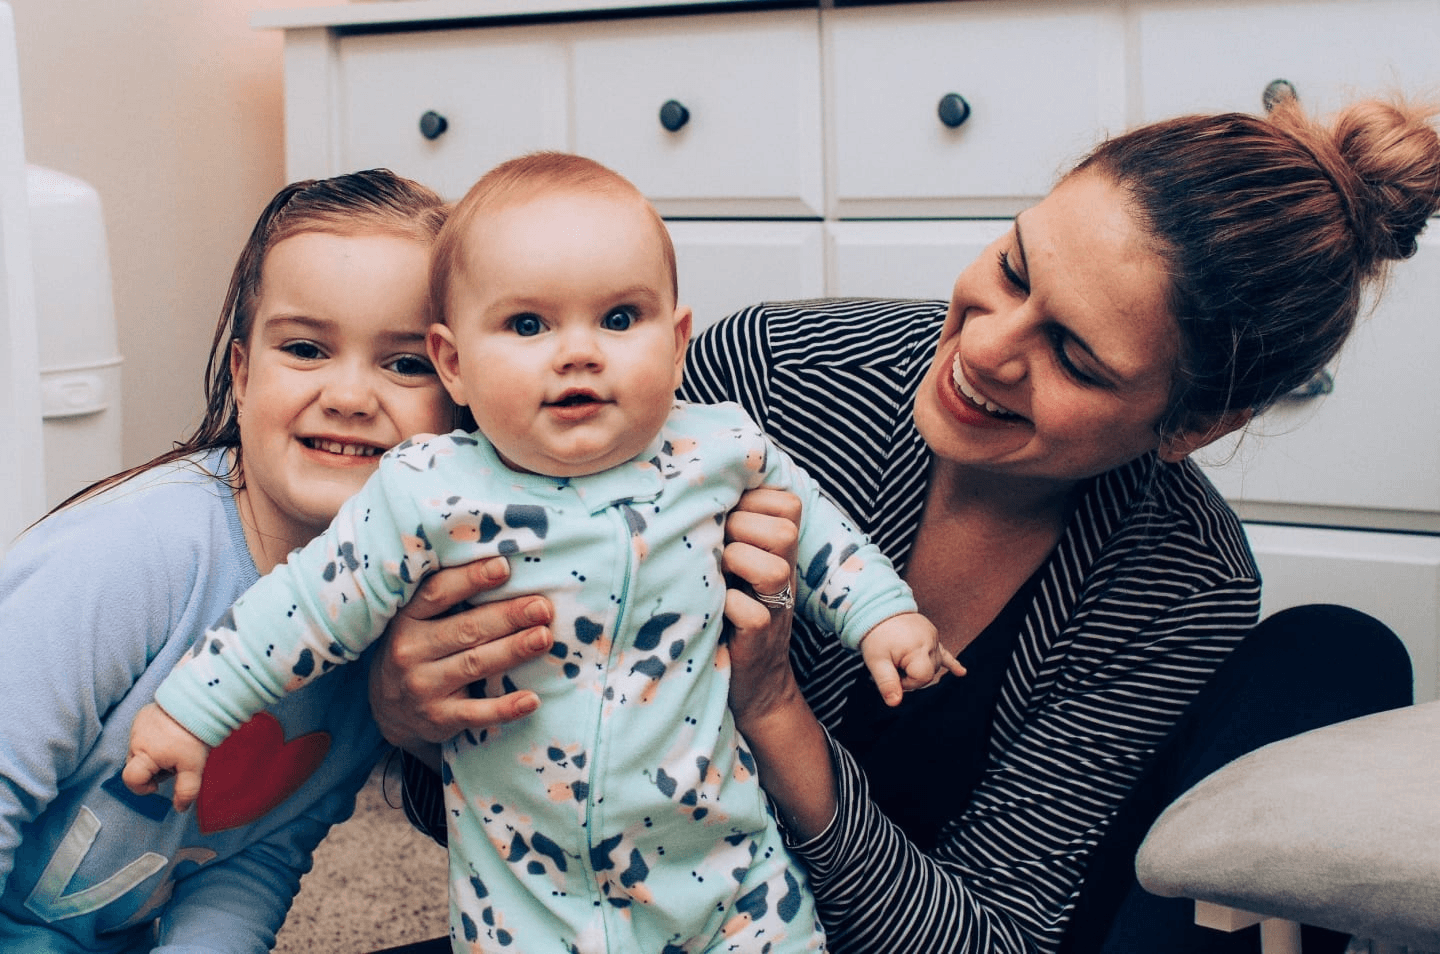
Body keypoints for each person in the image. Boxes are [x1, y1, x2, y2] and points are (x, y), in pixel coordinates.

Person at [373, 96, 1440, 954]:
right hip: (642, 917)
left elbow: (994, 934)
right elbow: (510, 804)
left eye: (1072, 355)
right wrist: (411, 711)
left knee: (1338, 654)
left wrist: (775, 708)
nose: (984, 346)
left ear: (1196, 425)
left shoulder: (1179, 579)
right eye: (1013, 269)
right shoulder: (769, 383)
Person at [124, 153, 958, 954]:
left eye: (619, 319)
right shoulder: (430, 489)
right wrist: (192, 710)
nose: (579, 350)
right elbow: (306, 605)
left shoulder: (718, 449)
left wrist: (884, 619)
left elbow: (820, 530)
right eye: (528, 324)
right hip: (528, 894)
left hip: (724, 875)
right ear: (453, 363)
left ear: (677, 342)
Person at [0, 169, 466, 953]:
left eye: (405, 363)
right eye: (307, 349)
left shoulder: (386, 620)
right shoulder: (135, 553)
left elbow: (257, 854)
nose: (350, 395)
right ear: (244, 376)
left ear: (459, 394)